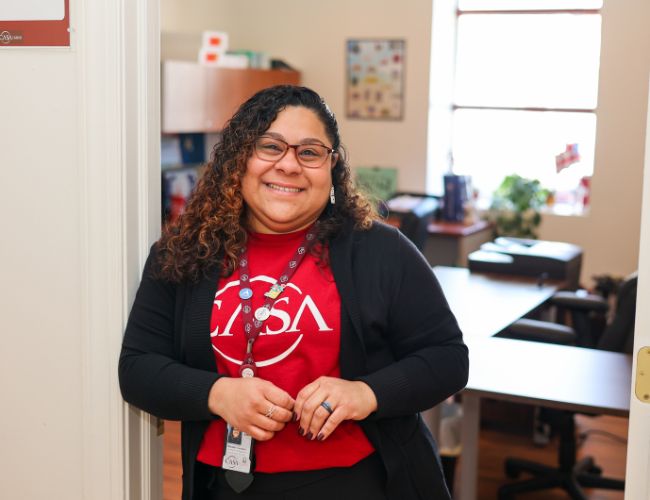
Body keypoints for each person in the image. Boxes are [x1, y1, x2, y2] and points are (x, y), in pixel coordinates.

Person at [119, 85, 469, 500]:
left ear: (332, 167)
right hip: (225, 483)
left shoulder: (383, 252)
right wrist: (217, 393)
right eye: (270, 147)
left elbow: (447, 359)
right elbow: (138, 369)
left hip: (360, 481)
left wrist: (365, 393)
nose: (289, 165)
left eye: (309, 152)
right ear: (238, 160)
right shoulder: (184, 255)